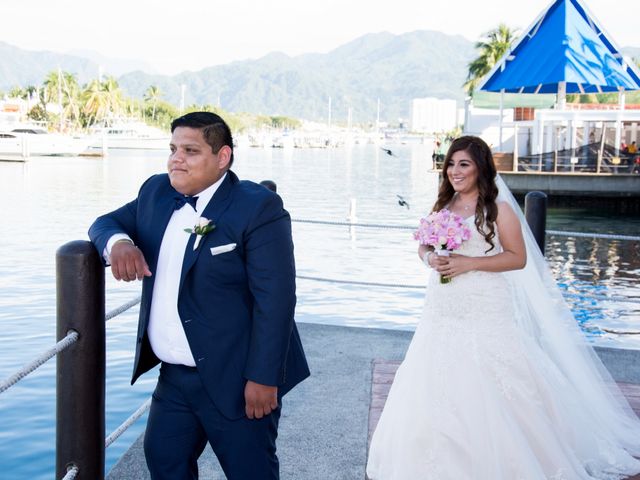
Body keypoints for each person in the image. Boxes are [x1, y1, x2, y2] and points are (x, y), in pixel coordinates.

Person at [366, 135, 640, 479]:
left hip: (484, 304)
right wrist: (430, 257)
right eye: (451, 163)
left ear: (481, 167)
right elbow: (423, 247)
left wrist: (470, 264)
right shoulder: (443, 208)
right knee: (434, 375)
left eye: (463, 163)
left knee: (492, 377)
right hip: (442, 306)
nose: (454, 171)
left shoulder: (499, 209)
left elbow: (518, 258)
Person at [89, 111, 310, 479]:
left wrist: (264, 378)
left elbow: (277, 299)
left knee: (251, 472)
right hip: (174, 380)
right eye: (173, 148)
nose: (176, 158)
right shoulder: (156, 191)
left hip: (238, 378)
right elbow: (104, 224)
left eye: (190, 150)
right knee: (164, 461)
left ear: (222, 157)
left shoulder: (257, 207)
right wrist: (120, 243)